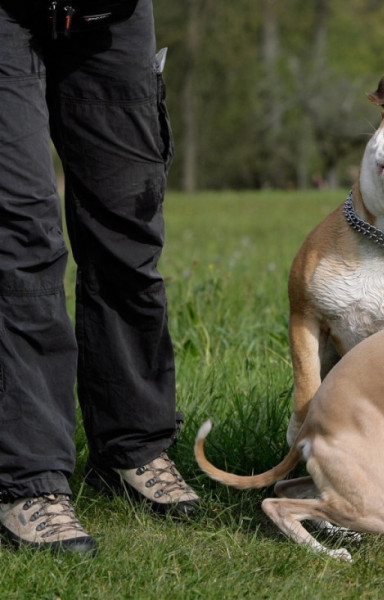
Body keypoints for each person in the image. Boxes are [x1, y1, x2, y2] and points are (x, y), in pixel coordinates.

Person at [0, 0, 198, 555]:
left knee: (128, 227)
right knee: (21, 237)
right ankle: (29, 478)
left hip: (111, 14)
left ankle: (132, 446)